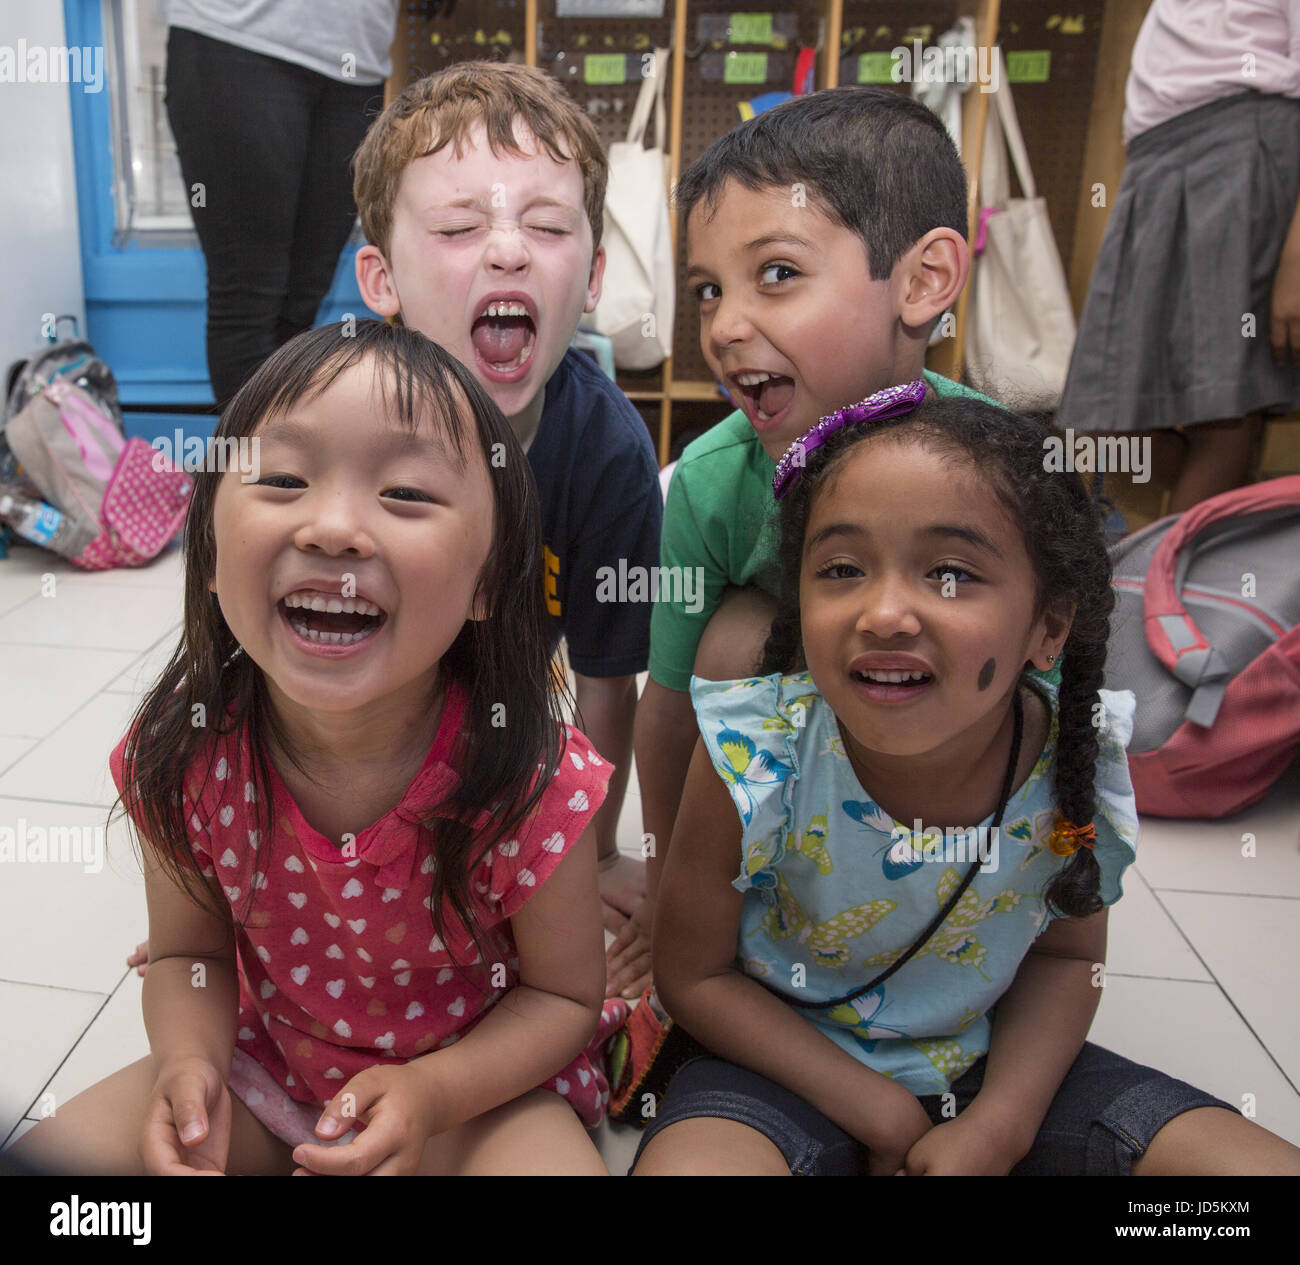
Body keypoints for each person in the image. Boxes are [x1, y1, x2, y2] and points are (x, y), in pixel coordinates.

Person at [630, 389, 1300, 1176]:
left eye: (950, 573)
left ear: (1049, 627)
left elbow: (1064, 960)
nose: (883, 612)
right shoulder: (753, 750)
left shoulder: (1075, 757)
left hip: (995, 1070)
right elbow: (694, 973)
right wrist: (878, 1109)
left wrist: (1000, 1127)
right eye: (841, 568)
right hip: (777, 1067)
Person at [13, 321, 619, 1176]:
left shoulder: (530, 774)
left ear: (488, 580)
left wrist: (431, 1094)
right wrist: (189, 1070)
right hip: (269, 1078)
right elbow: (188, 956)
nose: (334, 528)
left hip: (475, 1103)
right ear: (213, 551)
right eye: (285, 478)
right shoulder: (184, 753)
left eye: (405, 493)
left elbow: (561, 997)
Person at [128, 60, 663, 995]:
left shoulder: (607, 449)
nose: (508, 253)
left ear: (593, 278)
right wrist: (210, 923)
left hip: (493, 736)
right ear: (381, 277)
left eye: (546, 225)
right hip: (346, 734)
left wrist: (597, 850)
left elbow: (610, 676)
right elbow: (248, 627)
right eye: (459, 227)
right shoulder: (326, 409)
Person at [625, 86, 1002, 1001]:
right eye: (710, 288)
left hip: (957, 803)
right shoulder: (713, 485)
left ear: (922, 283)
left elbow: (1061, 710)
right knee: (729, 640)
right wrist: (671, 893)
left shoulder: (1007, 480)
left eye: (777, 275)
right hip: (781, 812)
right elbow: (670, 707)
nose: (722, 325)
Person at [1056, 0, 1300, 513]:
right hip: (1152, 159)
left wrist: (1298, 255)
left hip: (1240, 141)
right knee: (1099, 414)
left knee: (1221, 403)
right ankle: (1226, 518)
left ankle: (1167, 581)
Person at [163, 0, 401, 406]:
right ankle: (255, 468)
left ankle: (278, 460)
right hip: (238, 37)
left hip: (358, 57)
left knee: (303, 299)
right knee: (248, 298)